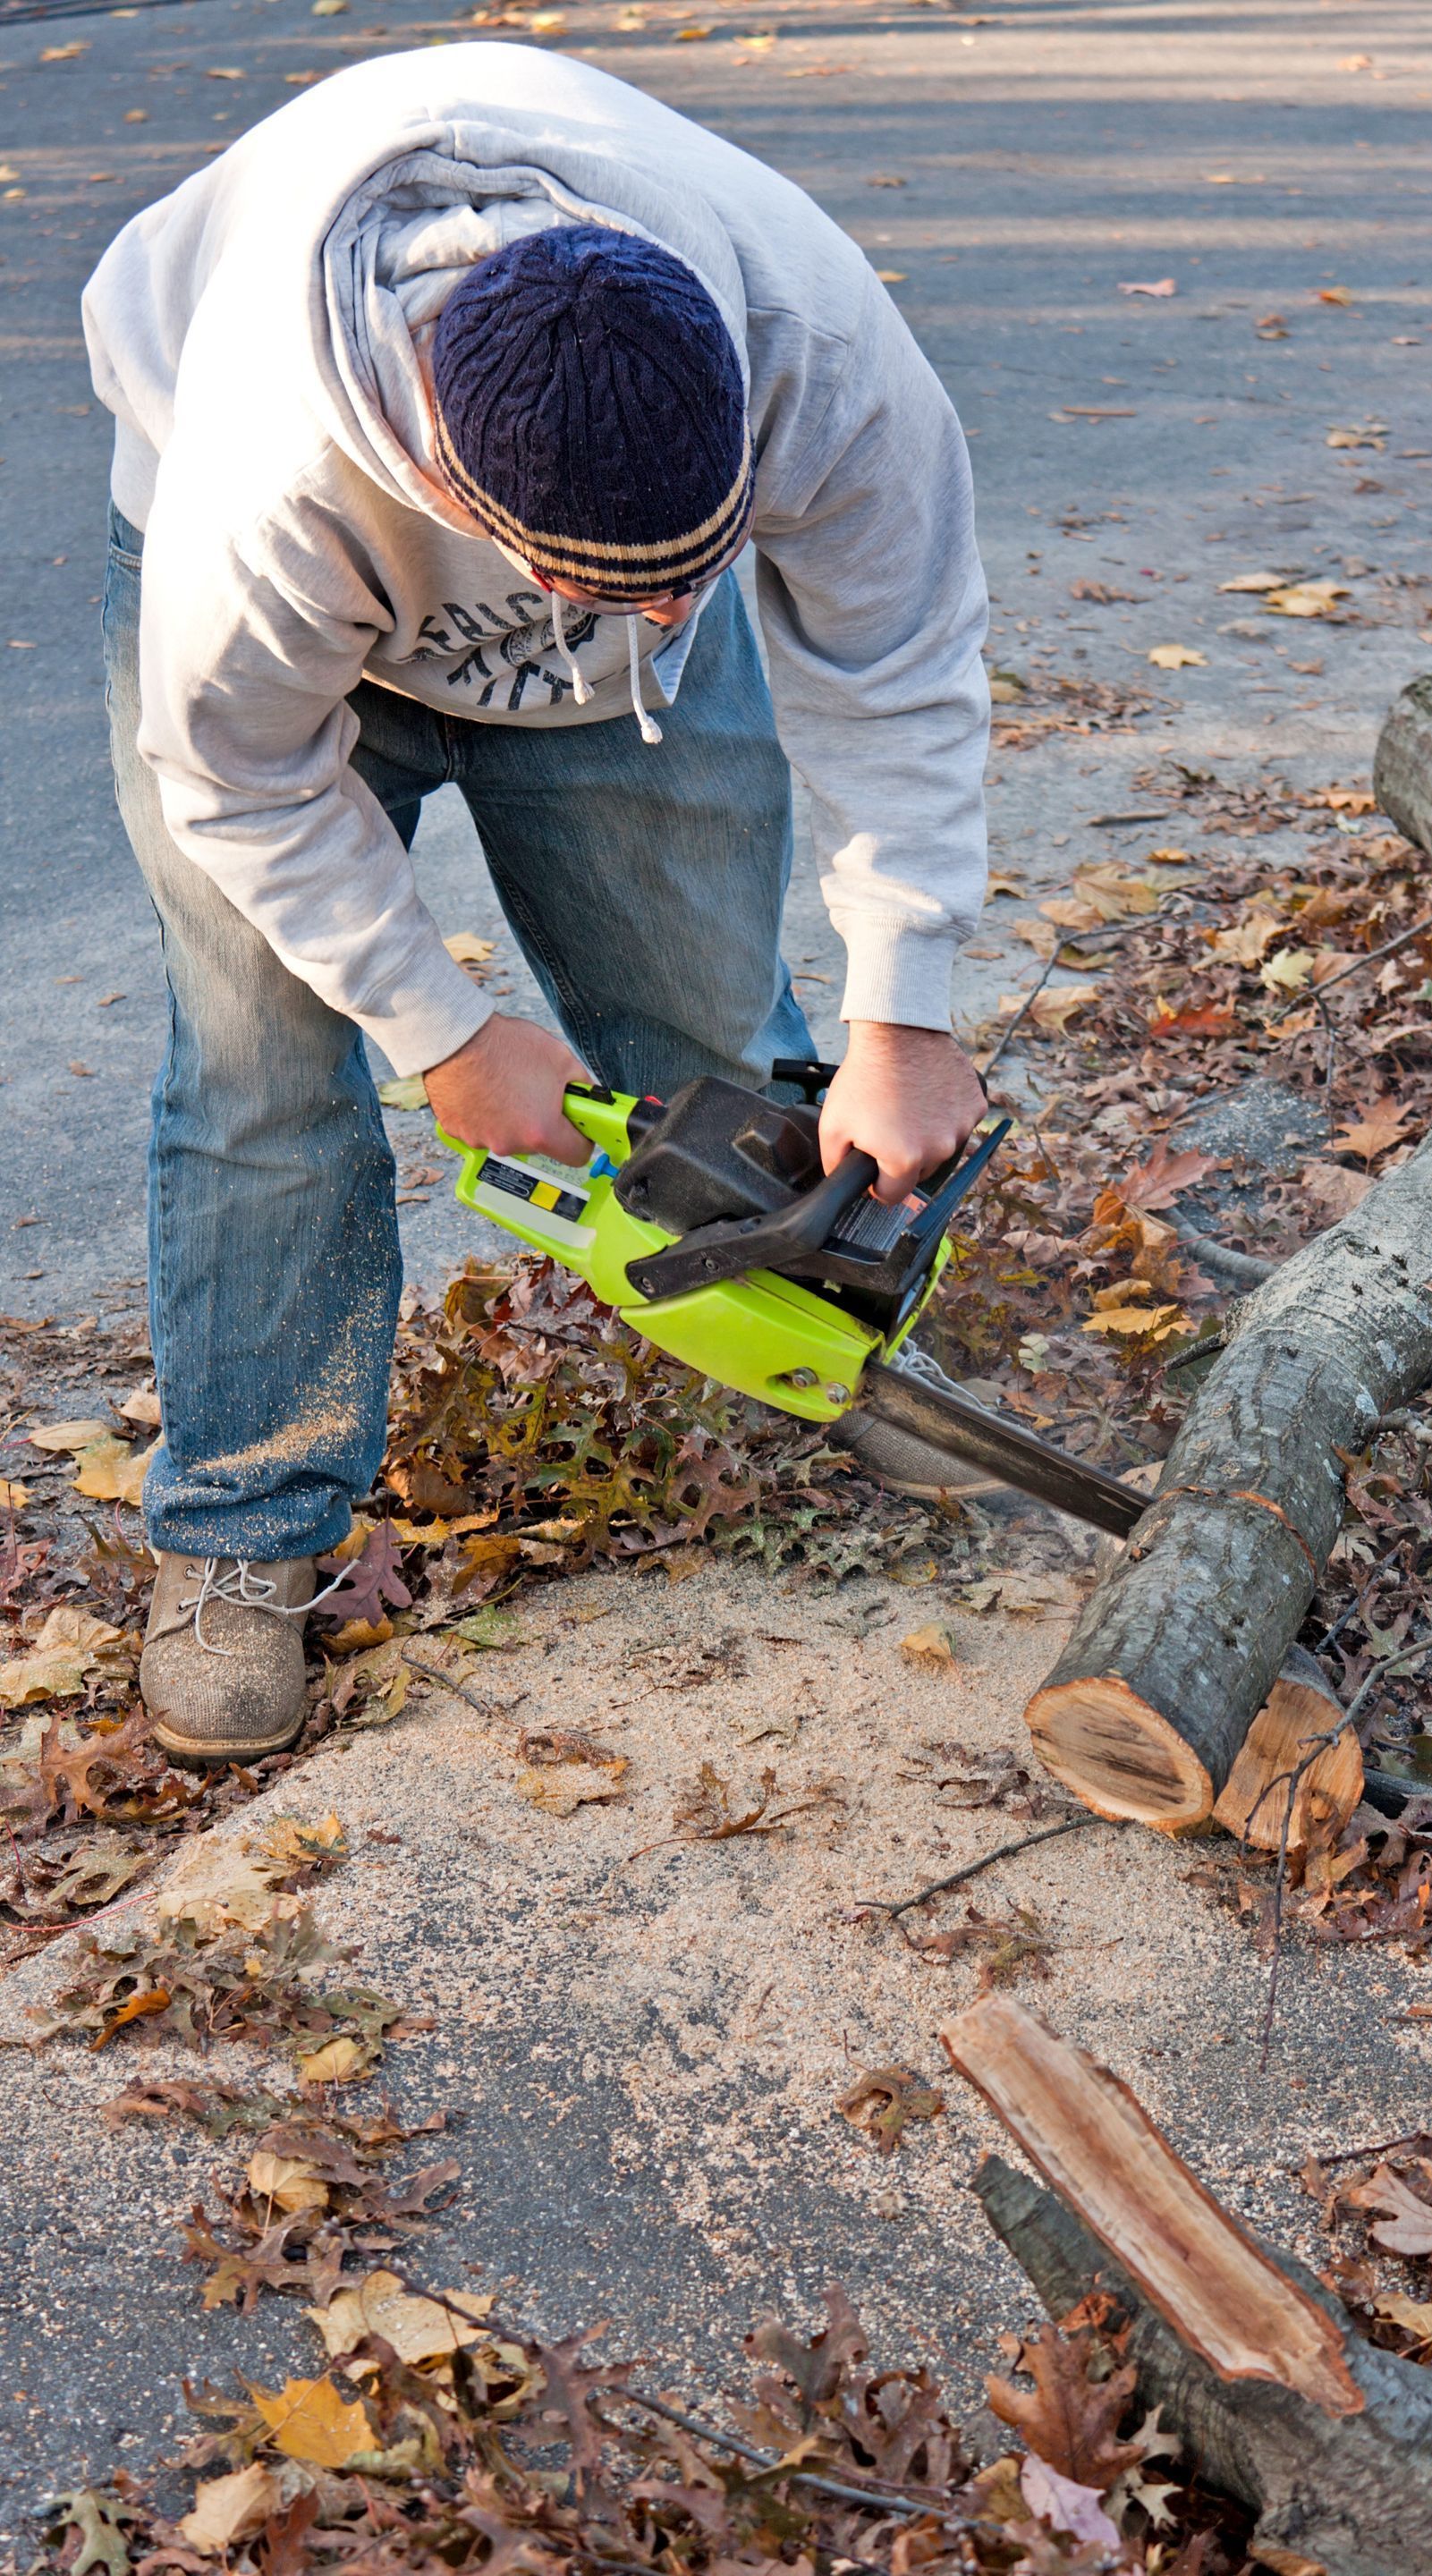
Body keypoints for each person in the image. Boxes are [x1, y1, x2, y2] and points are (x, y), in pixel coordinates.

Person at [83, 39, 994, 1767]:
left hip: (558, 551)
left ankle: (830, 1360)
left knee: (710, 1024)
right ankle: (245, 1535)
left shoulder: (805, 336)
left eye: (694, 580)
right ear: (447, 484)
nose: (661, 624)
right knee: (266, 1081)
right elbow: (238, 781)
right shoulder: (267, 490)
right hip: (290, 660)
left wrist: (907, 1007)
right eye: (612, 590)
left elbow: (900, 658)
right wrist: (440, 1029)